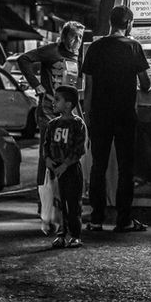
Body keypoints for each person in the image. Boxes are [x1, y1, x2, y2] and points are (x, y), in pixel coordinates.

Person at [82, 5, 151, 233]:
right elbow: (145, 83)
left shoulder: (95, 47)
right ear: (129, 23)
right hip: (124, 114)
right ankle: (124, 220)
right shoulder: (133, 46)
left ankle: (96, 218)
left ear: (110, 23)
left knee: (98, 167)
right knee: (125, 167)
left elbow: (89, 86)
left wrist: (88, 114)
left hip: (100, 115)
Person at [18, 21, 85, 186]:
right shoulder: (51, 50)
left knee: (67, 151)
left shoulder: (78, 56)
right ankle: (44, 194)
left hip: (68, 112)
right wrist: (37, 86)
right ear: (63, 36)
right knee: (48, 151)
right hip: (48, 110)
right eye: (73, 35)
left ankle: (59, 194)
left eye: (80, 37)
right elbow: (24, 59)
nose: (77, 40)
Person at [43, 85, 87, 249]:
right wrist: (47, 159)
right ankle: (61, 234)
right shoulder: (52, 124)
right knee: (58, 204)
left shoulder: (77, 124)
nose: (53, 103)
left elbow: (79, 148)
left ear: (68, 104)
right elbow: (46, 144)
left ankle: (75, 235)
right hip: (55, 170)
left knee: (73, 203)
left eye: (57, 100)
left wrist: (66, 164)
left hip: (71, 170)